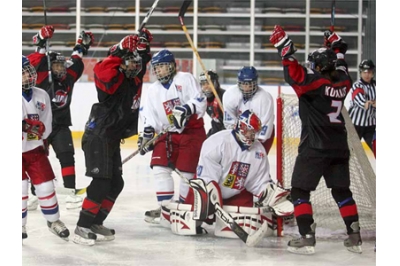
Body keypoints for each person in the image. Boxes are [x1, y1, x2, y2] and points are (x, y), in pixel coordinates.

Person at [269, 25, 362, 254]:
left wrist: (285, 50)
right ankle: (354, 236)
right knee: (342, 192)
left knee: (300, 191)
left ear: (320, 67)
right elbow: (340, 59)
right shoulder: (344, 80)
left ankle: (307, 237)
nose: (311, 66)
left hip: (314, 147)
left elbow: (293, 74)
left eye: (314, 64)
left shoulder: (315, 84)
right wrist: (335, 43)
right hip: (339, 147)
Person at [73, 30, 153, 246]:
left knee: (116, 183)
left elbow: (142, 62)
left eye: (134, 64)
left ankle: (95, 222)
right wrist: (119, 49)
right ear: (119, 64)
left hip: (111, 138)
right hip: (99, 136)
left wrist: (144, 47)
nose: (133, 67)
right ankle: (82, 226)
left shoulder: (133, 80)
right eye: (127, 64)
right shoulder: (112, 80)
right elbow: (102, 69)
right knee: (101, 181)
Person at [160, 110, 293, 236]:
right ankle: (168, 213)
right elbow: (206, 178)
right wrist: (212, 198)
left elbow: (259, 182)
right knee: (190, 226)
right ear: (240, 127)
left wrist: (270, 193)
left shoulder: (259, 152)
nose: (251, 136)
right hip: (209, 191)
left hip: (236, 193)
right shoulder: (217, 142)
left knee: (238, 229)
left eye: (254, 133)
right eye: (248, 132)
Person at [26, 25, 94, 210]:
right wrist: (41, 41)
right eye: (57, 65)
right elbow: (32, 62)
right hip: (40, 127)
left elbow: (77, 60)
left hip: (61, 125)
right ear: (49, 66)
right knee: (37, 159)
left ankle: (71, 191)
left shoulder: (68, 78)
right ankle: (35, 193)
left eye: (62, 65)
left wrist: (82, 44)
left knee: (67, 156)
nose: (61, 68)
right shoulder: (40, 76)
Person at [139, 48, 207, 224]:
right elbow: (149, 115)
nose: (158, 70)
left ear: (171, 66)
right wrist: (147, 133)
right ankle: (166, 210)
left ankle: (183, 209)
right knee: (160, 168)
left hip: (191, 132)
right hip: (168, 133)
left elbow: (200, 100)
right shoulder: (153, 90)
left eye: (161, 66)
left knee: (187, 173)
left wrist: (187, 108)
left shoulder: (185, 79)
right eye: (156, 67)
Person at [22, 55, 70, 241]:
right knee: (20, 189)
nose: (28, 76)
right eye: (23, 73)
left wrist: (40, 130)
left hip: (35, 150)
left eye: (28, 71)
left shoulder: (41, 94)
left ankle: (53, 221)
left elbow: (47, 124)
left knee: (46, 186)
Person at [222, 66, 275, 154]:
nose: (246, 87)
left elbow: (265, 127)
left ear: (255, 82)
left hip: (259, 134)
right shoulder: (230, 95)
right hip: (241, 132)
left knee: (256, 163)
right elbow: (229, 123)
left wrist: (251, 141)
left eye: (250, 84)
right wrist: (240, 136)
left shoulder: (265, 98)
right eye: (244, 84)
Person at [348, 59, 376, 153]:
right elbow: (361, 101)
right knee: (351, 149)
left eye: (369, 72)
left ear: (373, 73)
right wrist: (369, 103)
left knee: (370, 151)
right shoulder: (357, 85)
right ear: (360, 73)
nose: (367, 75)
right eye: (364, 72)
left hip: (370, 124)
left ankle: (371, 167)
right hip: (356, 124)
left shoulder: (375, 86)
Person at [199, 70, 225, 137]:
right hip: (217, 129)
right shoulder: (204, 99)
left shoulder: (224, 97)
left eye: (208, 83)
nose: (206, 86)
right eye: (203, 84)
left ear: (216, 83)